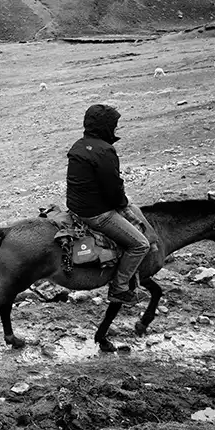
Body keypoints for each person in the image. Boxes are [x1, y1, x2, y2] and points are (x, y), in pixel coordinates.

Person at [65, 104, 150, 304]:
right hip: (97, 214)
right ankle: (119, 289)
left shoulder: (78, 145)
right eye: (113, 125)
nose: (115, 129)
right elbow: (113, 189)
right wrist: (123, 203)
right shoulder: (104, 151)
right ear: (104, 126)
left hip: (76, 207)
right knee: (140, 244)